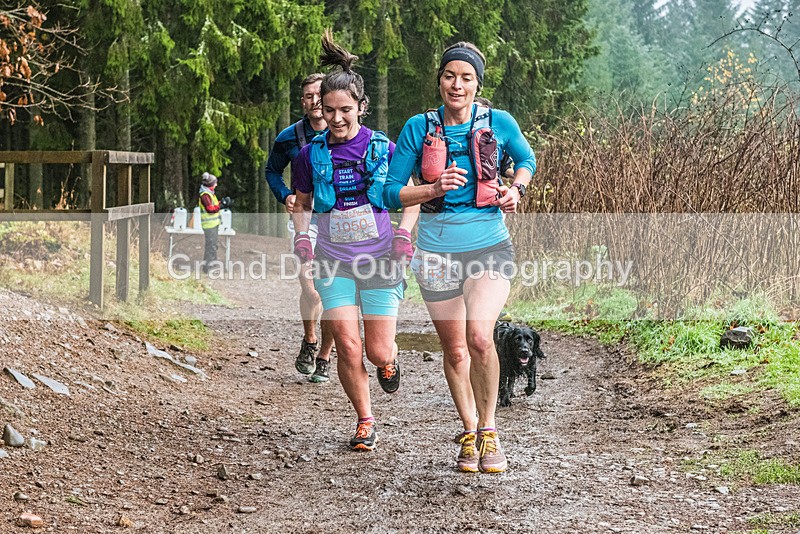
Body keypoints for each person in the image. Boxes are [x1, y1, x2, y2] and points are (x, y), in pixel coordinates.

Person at [383, 42, 536, 473]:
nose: (457, 84)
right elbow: (390, 191)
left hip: (488, 244)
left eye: (466, 77)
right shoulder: (418, 128)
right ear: (439, 80)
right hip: (435, 252)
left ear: (477, 85)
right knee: (454, 351)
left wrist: (515, 189)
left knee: (480, 338)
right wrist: (432, 189)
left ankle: (490, 432)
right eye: (450, 75)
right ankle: (468, 432)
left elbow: (526, 159)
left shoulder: (499, 123)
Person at [292, 29, 418, 452]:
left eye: (345, 109)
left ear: (361, 106)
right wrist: (302, 240)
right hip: (333, 261)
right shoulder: (310, 155)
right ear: (319, 110)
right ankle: (365, 420)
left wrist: (403, 236)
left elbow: (412, 198)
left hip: (382, 258)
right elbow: (304, 202)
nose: (337, 118)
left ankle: (390, 361)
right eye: (328, 111)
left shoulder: (386, 148)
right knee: (347, 344)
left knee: (378, 350)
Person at [264, 73, 335, 383]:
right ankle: (309, 338)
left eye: (319, 94)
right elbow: (271, 171)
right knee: (311, 287)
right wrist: (286, 195)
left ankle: (324, 356)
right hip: (304, 218)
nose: (314, 100)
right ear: (303, 101)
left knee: (333, 292)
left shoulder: (345, 132)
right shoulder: (289, 136)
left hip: (338, 221)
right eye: (308, 96)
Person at [198, 172, 230, 274]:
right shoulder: (205, 195)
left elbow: (214, 205)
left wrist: (222, 202)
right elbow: (210, 209)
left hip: (213, 224)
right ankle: (208, 268)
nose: (216, 185)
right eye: (215, 183)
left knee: (213, 245)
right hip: (209, 225)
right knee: (210, 246)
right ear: (211, 184)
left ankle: (211, 265)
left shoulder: (209, 194)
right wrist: (221, 206)